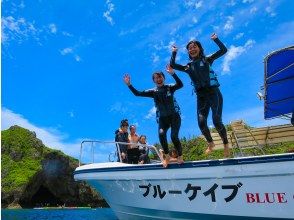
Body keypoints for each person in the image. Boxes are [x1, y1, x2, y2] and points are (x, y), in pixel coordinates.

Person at [170, 33, 230, 158]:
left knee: (216, 121)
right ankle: (211, 143)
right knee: (201, 123)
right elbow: (173, 65)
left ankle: (225, 144)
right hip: (201, 96)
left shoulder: (207, 59)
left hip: (214, 93)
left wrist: (216, 39)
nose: (192, 49)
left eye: (194, 47)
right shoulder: (187, 66)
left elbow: (223, 50)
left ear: (199, 48)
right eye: (190, 48)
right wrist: (174, 52)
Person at [123, 65, 184, 168]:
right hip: (163, 119)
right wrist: (129, 85)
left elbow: (180, 84)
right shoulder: (153, 92)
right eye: (156, 78)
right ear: (154, 81)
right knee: (161, 134)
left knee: (174, 136)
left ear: (163, 78)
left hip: (174, 116)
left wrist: (173, 73)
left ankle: (180, 156)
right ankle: (167, 156)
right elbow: (137, 93)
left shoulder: (170, 87)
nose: (158, 79)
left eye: (160, 77)